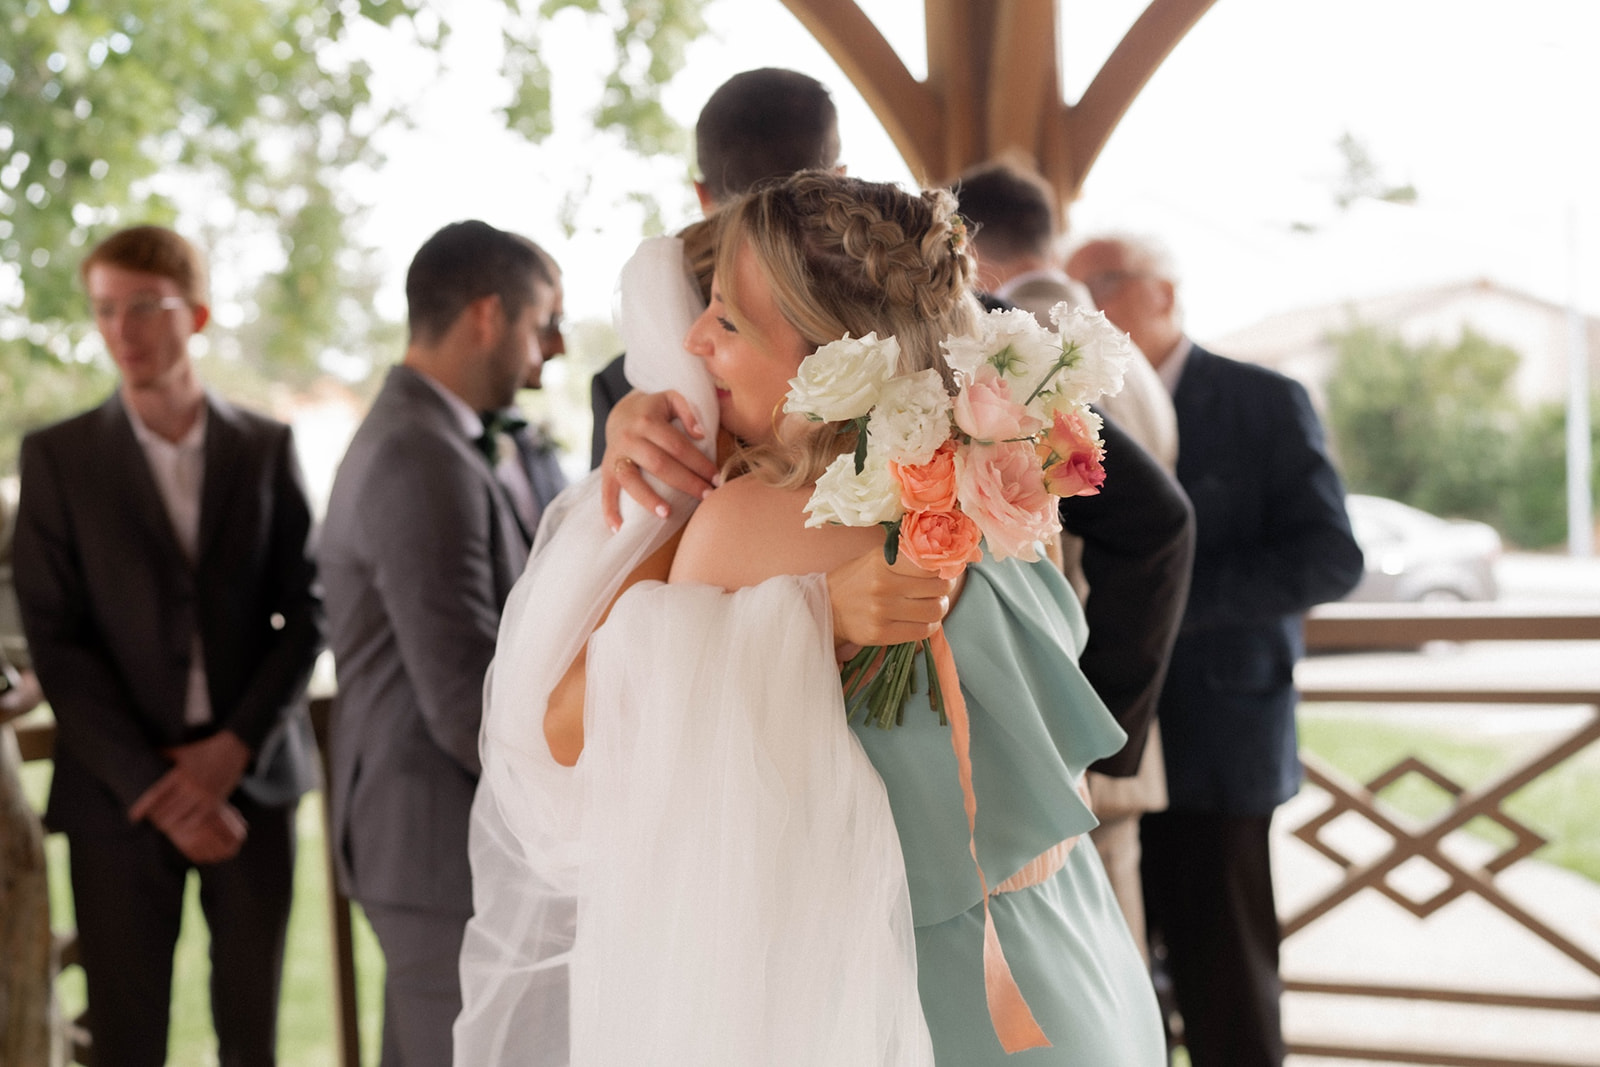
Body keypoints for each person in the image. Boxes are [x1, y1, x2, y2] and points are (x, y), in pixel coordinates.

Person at [459, 172, 1167, 1065]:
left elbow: (570, 728)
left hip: (918, 1002)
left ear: (825, 362)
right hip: (1070, 963)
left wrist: (680, 483)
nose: (691, 340)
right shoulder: (995, 465)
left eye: (725, 320)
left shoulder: (749, 521)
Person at [13, 225, 323, 1067]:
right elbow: (56, 638)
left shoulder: (265, 446)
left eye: (145, 307)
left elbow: (309, 608)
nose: (123, 330)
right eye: (106, 310)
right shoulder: (57, 457)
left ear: (198, 315)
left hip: (252, 789)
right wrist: (160, 786)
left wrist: (230, 752)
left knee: (250, 1033)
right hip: (118, 797)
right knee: (126, 1038)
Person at [1066, 234, 1365, 1066]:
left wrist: (1163, 598)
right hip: (1110, 740)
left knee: (1229, 989)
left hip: (1219, 740)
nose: (1082, 303)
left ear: (1163, 292)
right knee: (1116, 988)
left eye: (1103, 284)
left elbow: (1332, 556)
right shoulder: (1062, 399)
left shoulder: (1265, 399)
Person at [319, 219, 564, 1065]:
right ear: (487, 317)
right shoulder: (415, 455)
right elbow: (465, 699)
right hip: (431, 835)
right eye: (541, 324)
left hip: (445, 832)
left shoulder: (463, 438)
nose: (550, 353)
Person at [953, 157, 1187, 958]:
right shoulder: (1116, 347)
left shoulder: (1025, 345)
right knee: (1104, 952)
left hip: (1064, 713)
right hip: (1106, 719)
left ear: (969, 251)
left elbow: (1150, 524)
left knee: (1087, 956)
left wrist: (1085, 723)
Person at [588, 66, 843, 466]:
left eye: (729, 319)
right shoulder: (929, 314)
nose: (694, 341)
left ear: (701, 194)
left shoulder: (623, 382)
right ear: (841, 181)